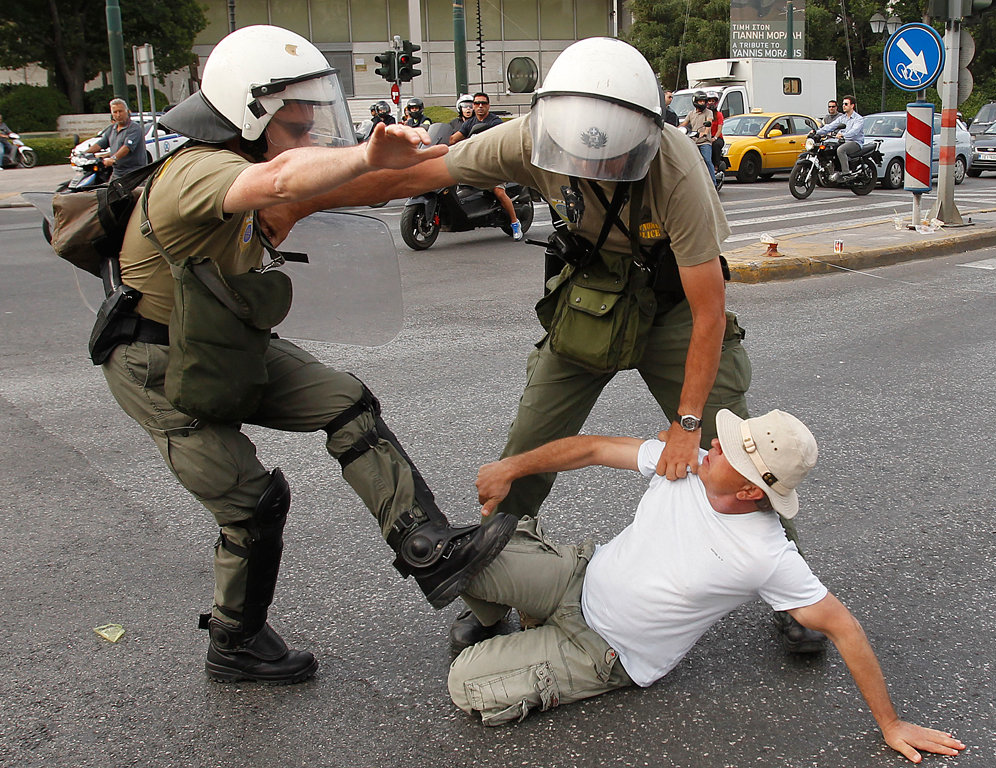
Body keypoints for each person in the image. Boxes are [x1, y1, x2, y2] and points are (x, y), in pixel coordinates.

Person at [258, 37, 818, 656]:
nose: (589, 169)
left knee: (736, 455)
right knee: (524, 456)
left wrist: (686, 426)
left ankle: (796, 598)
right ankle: (490, 598)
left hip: (674, 313)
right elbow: (419, 174)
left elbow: (709, 313)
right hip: (590, 302)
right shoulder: (530, 136)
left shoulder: (677, 169)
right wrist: (303, 202)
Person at [100, 25, 515, 685]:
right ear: (246, 115)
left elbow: (379, 184)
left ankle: (427, 546)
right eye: (293, 126)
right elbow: (289, 174)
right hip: (154, 364)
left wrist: (513, 151)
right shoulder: (198, 174)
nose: (305, 139)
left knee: (345, 403)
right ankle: (234, 642)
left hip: (222, 341)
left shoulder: (257, 173)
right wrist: (358, 154)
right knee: (252, 502)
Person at [446, 410, 966, 766]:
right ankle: (514, 616)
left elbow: (844, 628)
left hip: (606, 650)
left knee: (463, 683)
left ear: (747, 489)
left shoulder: (767, 555)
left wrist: (892, 724)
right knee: (456, 554)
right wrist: (512, 466)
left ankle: (532, 636)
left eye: (730, 449)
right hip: (580, 576)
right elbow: (595, 448)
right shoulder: (687, 464)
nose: (713, 443)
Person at [448, 92, 522, 240]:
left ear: (488, 105)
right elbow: (453, 139)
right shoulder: (470, 122)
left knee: (498, 191)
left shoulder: (494, 122)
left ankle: (515, 223)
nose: (480, 106)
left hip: (492, 164)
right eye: (476, 103)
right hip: (474, 163)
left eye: (483, 103)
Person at [85, 98, 149, 180]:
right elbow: (100, 144)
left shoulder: (134, 128)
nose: (118, 115)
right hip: (117, 172)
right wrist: (84, 153)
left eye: (120, 111)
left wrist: (113, 159)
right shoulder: (112, 128)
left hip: (134, 173)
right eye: (115, 112)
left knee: (133, 192)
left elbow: (126, 148)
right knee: (110, 192)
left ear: (128, 112)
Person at [816, 95, 865, 180]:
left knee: (841, 150)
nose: (843, 106)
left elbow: (854, 132)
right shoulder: (842, 118)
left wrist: (843, 135)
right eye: (843, 104)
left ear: (852, 105)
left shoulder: (858, 119)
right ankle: (833, 170)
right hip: (843, 141)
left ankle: (846, 173)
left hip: (855, 142)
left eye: (846, 104)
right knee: (828, 147)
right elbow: (830, 126)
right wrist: (816, 132)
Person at [679, 90, 716, 175]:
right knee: (689, 163)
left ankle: (713, 183)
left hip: (704, 142)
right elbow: (684, 124)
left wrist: (705, 132)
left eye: (704, 101)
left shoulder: (708, 112)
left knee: (707, 160)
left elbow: (709, 123)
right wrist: (675, 130)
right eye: (700, 101)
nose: (702, 103)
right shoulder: (691, 113)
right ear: (695, 101)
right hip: (693, 142)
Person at [705, 90, 725, 171]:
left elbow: (719, 129)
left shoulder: (719, 114)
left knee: (715, 145)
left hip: (716, 138)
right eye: (709, 101)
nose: (711, 103)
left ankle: (715, 166)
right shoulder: (704, 113)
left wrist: (715, 138)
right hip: (706, 136)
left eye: (713, 101)